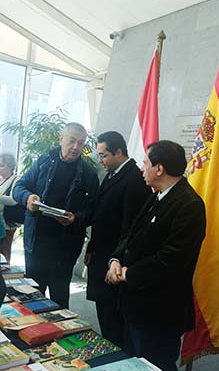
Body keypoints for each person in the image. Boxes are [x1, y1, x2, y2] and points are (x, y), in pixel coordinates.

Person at [106, 140, 206, 371]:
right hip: (135, 305)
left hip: (160, 313)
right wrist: (115, 260)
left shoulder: (190, 205)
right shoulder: (158, 195)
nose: (141, 168)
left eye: (145, 163)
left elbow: (171, 260)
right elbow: (130, 234)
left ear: (159, 169)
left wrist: (128, 273)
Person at [13, 122, 99, 309]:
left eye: (81, 143)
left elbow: (93, 210)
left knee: (59, 300)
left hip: (65, 247)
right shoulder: (43, 161)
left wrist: (76, 218)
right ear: (61, 138)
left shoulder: (89, 174)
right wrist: (28, 198)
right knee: (33, 297)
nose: (76, 147)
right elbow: (18, 187)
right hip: (36, 243)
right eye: (72, 141)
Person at [86, 131, 152, 347]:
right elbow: (100, 215)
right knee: (104, 317)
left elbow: (129, 229)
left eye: (103, 155)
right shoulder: (112, 174)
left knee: (114, 324)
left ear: (119, 152)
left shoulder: (133, 179)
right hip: (100, 256)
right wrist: (91, 247)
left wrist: (116, 262)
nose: (100, 160)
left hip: (113, 264)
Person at [0, 153, 20, 263]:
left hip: (7, 222)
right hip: (0, 221)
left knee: (5, 250)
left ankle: (7, 274)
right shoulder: (0, 179)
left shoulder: (16, 180)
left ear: (10, 166)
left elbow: (14, 200)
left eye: (1, 165)